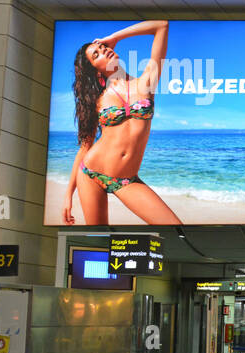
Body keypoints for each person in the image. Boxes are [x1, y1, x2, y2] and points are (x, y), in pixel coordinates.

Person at [61, 20, 182, 226]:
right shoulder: (97, 101)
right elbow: (85, 147)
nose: (103, 51)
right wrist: (68, 195)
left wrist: (115, 37)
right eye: (96, 55)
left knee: (176, 228)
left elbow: (161, 26)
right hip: (90, 174)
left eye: (102, 47)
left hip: (127, 181)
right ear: (96, 71)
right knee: (101, 244)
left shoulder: (146, 82)